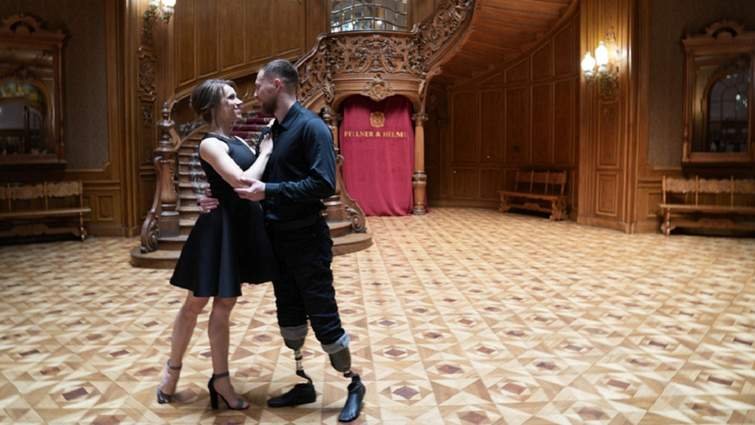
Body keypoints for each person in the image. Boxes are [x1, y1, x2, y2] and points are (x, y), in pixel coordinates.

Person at [200, 59, 365, 422]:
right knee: (289, 317)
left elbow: (324, 184)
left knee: (323, 317)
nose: (254, 94)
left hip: (307, 241)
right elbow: (244, 178)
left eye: (258, 85)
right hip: (277, 243)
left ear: (276, 84)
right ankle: (303, 380)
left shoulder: (312, 127)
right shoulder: (270, 131)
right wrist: (214, 197)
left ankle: (354, 383)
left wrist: (270, 191)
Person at [157, 79, 277, 410]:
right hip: (218, 230)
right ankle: (172, 370)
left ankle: (221, 379)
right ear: (213, 106)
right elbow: (242, 181)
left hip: (238, 227)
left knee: (225, 303)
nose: (239, 102)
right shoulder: (210, 143)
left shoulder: (237, 139)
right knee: (195, 303)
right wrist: (266, 152)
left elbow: (241, 181)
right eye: (231, 97)